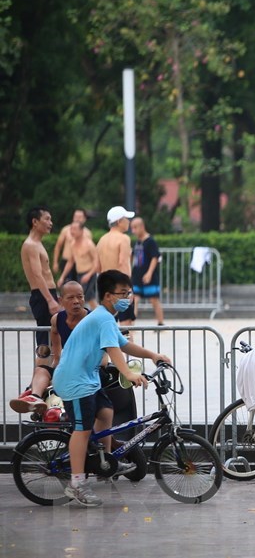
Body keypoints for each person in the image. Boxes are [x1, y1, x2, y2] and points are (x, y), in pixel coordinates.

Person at [53, 269, 170, 507]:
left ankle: (104, 462)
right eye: (123, 293)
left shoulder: (105, 316)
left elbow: (123, 344)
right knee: (83, 429)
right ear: (108, 296)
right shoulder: (104, 317)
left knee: (106, 413)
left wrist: (153, 355)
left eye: (130, 292)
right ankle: (77, 483)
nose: (129, 297)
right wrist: (128, 373)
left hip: (88, 379)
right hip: (74, 381)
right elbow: (113, 350)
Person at [9, 281, 88, 414]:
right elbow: (55, 338)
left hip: (87, 369)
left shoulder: (92, 319)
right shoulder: (56, 320)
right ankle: (35, 398)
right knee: (41, 370)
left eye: (80, 297)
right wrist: (57, 361)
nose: (76, 301)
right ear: (61, 301)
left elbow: (103, 354)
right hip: (66, 367)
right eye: (70, 298)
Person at [21, 207, 60, 352]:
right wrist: (50, 300)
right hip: (42, 296)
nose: (50, 223)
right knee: (45, 340)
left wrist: (54, 296)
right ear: (35, 222)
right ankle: (41, 371)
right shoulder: (30, 245)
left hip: (47, 294)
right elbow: (38, 275)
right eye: (47, 219)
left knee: (53, 338)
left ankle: (49, 372)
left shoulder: (37, 244)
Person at [96, 205, 136, 325]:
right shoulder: (123, 239)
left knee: (108, 325)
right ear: (119, 221)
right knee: (126, 326)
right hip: (120, 288)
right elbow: (123, 263)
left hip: (105, 288)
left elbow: (98, 267)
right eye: (126, 219)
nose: (128, 221)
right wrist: (128, 289)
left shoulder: (101, 240)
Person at [131, 217, 165, 325]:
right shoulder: (137, 242)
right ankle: (132, 324)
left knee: (153, 299)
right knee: (134, 299)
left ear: (142, 227)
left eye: (135, 227)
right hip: (137, 275)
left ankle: (160, 323)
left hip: (148, 274)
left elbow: (155, 257)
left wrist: (149, 273)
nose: (133, 231)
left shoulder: (150, 241)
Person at [58, 222, 99, 309]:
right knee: (88, 298)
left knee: (84, 297)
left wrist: (89, 274)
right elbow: (70, 261)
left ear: (81, 231)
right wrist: (62, 277)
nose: (72, 231)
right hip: (80, 274)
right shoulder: (72, 244)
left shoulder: (89, 244)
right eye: (71, 229)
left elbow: (97, 262)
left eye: (75, 229)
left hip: (89, 274)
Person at [52, 208, 92, 279]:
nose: (77, 219)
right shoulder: (66, 230)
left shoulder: (87, 233)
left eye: (80, 217)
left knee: (80, 287)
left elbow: (90, 251)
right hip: (66, 261)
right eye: (75, 216)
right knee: (67, 286)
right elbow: (58, 246)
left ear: (84, 219)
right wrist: (55, 262)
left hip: (81, 263)